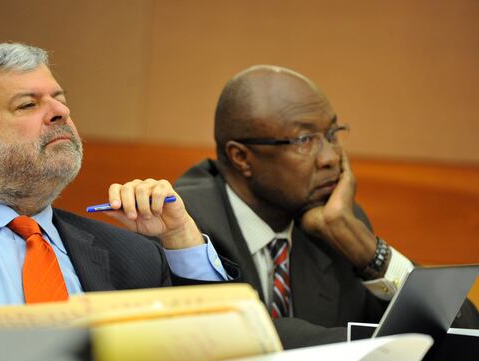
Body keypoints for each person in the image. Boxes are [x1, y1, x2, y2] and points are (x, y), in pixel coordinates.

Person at [0, 43, 236, 318]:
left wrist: (179, 238)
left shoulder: (132, 257)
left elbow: (214, 349)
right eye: (27, 105)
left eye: (59, 100)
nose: (60, 112)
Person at [175, 65, 479, 345]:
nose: (331, 157)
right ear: (242, 157)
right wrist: (376, 344)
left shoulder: (335, 225)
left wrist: (368, 251)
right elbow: (234, 340)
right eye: (304, 140)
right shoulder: (182, 227)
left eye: (332, 135)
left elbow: (464, 330)